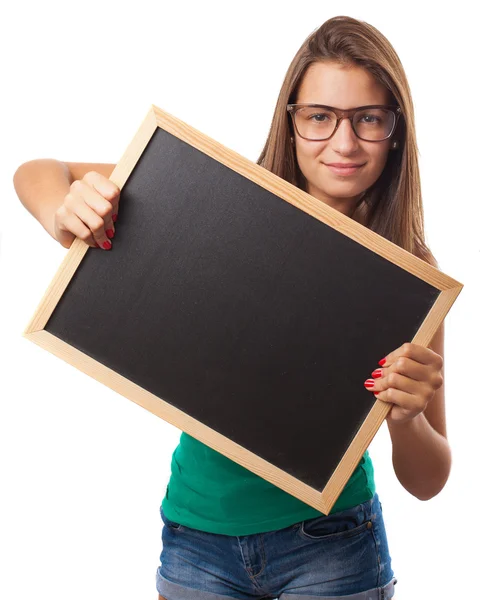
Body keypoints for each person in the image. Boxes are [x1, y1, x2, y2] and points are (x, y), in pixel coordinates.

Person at [13, 15, 450, 600]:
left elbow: (428, 480)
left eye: (368, 119)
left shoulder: (406, 269)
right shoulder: (223, 204)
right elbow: (38, 172)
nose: (343, 143)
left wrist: (407, 416)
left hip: (334, 546)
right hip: (196, 541)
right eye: (319, 117)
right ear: (290, 120)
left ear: (395, 129)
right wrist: (62, 211)